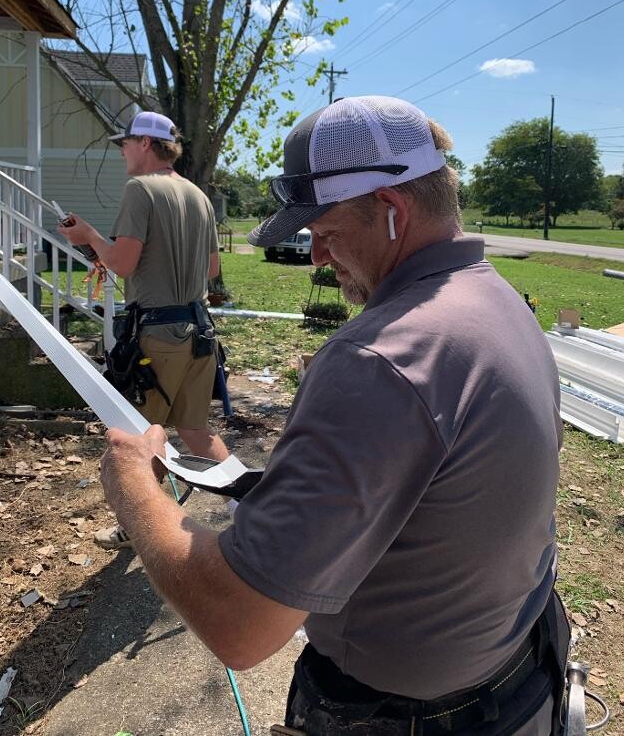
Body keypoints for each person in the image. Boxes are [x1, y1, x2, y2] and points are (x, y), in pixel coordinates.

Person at [98, 96, 570, 734]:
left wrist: (133, 486)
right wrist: (273, 486)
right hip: (516, 682)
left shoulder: (381, 358)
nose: (317, 256)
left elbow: (240, 624)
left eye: (325, 233)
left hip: (408, 718)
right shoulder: (496, 301)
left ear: (394, 213)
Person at [58, 110, 230, 549]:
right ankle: (250, 508)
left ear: (147, 145)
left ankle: (140, 526)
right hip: (200, 333)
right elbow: (212, 268)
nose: (121, 151)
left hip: (157, 335)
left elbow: (123, 263)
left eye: (126, 143)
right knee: (196, 432)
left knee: (141, 436)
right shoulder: (198, 195)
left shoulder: (140, 190)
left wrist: (91, 237)